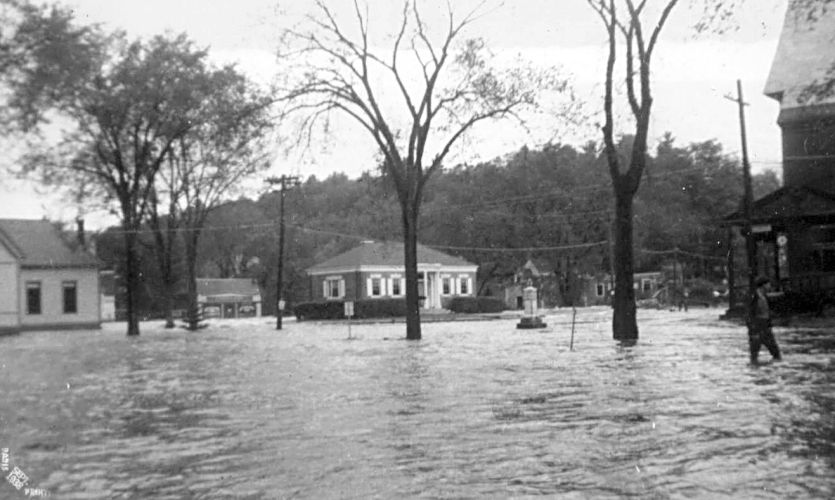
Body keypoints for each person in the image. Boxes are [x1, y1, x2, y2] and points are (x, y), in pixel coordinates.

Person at [748, 276, 782, 363]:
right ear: (764, 285)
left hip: (765, 327)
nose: (770, 286)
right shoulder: (754, 297)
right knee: (754, 356)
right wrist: (753, 330)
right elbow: (750, 315)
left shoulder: (764, 296)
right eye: (769, 284)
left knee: (776, 354)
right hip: (757, 328)